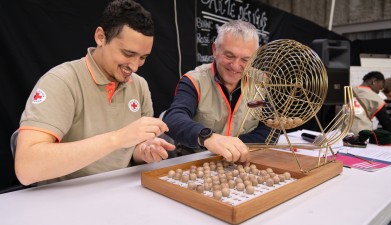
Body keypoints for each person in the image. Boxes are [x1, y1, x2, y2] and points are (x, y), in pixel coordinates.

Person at [15, 0, 175, 186]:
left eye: (143, 58)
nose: (134, 66)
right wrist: (118, 138)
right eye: (128, 54)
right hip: (64, 198)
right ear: (101, 37)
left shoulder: (139, 85)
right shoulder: (61, 81)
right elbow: (26, 168)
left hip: (120, 191)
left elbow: (133, 150)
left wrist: (145, 150)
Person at [162, 20, 271, 163]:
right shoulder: (194, 81)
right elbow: (173, 118)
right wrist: (208, 138)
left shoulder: (262, 83)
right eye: (229, 56)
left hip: (243, 159)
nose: (235, 66)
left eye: (245, 59)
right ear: (215, 50)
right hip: (198, 161)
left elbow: (270, 129)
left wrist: (232, 146)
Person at [350, 71, 391, 141]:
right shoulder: (376, 100)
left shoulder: (348, 91)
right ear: (374, 81)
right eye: (379, 88)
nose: (378, 92)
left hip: (340, 135)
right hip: (361, 136)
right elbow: (386, 123)